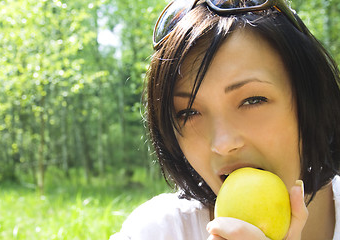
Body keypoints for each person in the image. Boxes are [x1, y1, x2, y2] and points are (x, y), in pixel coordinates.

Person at [110, 0, 340, 239]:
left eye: (252, 100)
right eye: (188, 112)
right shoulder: (157, 231)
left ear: (311, 100)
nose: (223, 143)